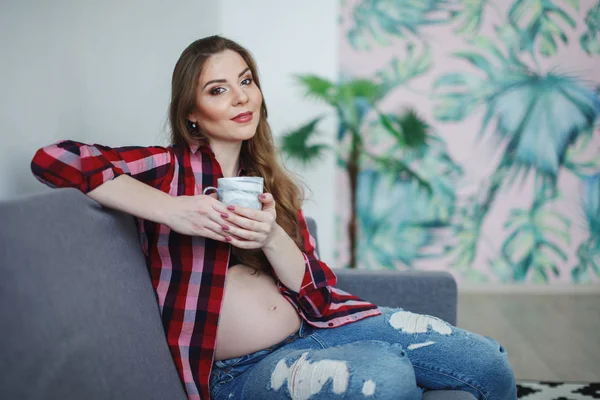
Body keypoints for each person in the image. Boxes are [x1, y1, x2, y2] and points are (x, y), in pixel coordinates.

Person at [31, 35, 517, 400]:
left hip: (318, 325)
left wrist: (271, 235)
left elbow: (316, 291)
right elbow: (54, 159)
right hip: (239, 370)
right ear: (192, 113)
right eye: (218, 89)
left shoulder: (267, 180)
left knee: (486, 360)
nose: (241, 97)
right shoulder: (169, 168)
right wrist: (173, 210)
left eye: (246, 81)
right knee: (385, 373)